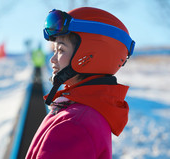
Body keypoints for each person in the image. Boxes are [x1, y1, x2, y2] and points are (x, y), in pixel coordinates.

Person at [26, 7, 135, 159]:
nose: (52, 59)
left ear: (88, 55)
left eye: (61, 50)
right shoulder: (82, 115)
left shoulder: (74, 125)